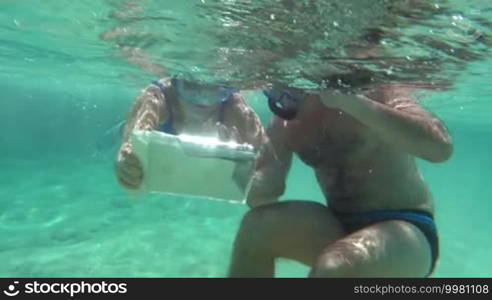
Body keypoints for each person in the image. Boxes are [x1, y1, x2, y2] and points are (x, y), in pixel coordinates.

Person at [228, 79, 453, 277]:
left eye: (291, 91)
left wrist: (353, 103)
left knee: (336, 266)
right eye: (273, 92)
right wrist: (242, 157)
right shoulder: (285, 124)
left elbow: (440, 148)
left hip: (406, 229)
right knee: (255, 228)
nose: (282, 100)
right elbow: (262, 195)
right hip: (336, 224)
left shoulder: (377, 92)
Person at [115, 76, 266, 190]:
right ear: (175, 84)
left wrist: (244, 164)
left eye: (216, 89)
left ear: (227, 90)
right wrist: (125, 163)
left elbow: (262, 165)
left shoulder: (235, 107)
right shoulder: (157, 96)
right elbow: (130, 143)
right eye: (191, 86)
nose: (203, 99)